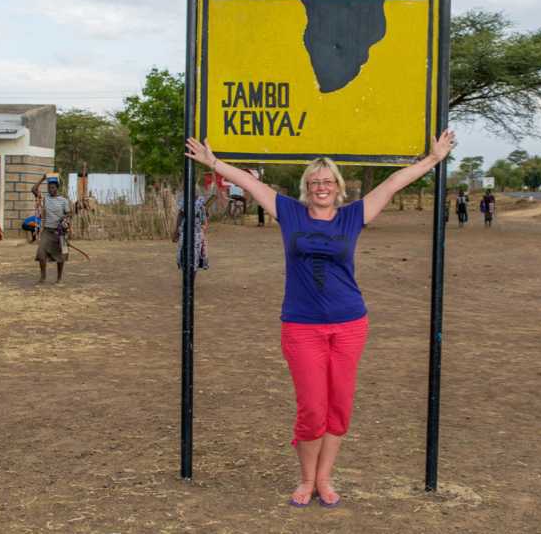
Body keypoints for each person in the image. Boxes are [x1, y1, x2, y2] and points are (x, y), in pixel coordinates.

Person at [185, 129, 456, 509]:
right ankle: (306, 479)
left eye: (327, 181)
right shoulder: (290, 213)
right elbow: (247, 181)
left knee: (339, 405)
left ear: (338, 187)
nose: (321, 187)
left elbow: (393, 183)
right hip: (301, 325)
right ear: (306, 188)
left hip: (349, 323)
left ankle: (325, 479)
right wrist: (214, 163)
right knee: (312, 407)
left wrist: (432, 159)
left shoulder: (352, 216)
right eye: (314, 182)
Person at [31, 174, 72, 284]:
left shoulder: (63, 200)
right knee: (41, 253)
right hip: (47, 231)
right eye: (49, 187)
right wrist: (43, 178)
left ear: (57, 188)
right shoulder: (45, 199)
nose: (50, 189)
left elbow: (68, 214)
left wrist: (64, 220)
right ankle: (43, 277)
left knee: (61, 255)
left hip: (61, 232)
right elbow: (33, 189)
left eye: (53, 187)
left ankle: (59, 278)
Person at [174, 188, 215, 270]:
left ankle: (191, 279)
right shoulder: (184, 201)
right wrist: (176, 232)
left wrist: (203, 228)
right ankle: (187, 279)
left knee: (195, 258)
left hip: (197, 233)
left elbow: (204, 220)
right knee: (184, 256)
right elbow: (180, 216)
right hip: (185, 232)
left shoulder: (201, 203)